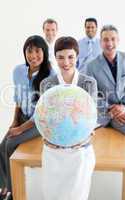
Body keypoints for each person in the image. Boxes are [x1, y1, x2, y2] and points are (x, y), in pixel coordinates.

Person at [85, 24, 125, 200]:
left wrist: (124, 105)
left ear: (118, 40)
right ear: (100, 42)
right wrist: (111, 109)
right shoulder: (92, 65)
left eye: (113, 39)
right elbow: (92, 94)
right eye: (106, 39)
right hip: (108, 114)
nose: (110, 43)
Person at [40, 36, 97, 200]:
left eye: (71, 57)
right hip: (53, 150)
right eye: (60, 57)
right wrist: (47, 136)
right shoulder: (47, 84)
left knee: (77, 194)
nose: (66, 62)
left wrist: (88, 133)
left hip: (80, 149)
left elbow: (91, 115)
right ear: (55, 58)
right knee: (53, 194)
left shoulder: (88, 83)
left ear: (77, 56)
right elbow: (44, 116)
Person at [0, 35, 54, 200]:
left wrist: (20, 130)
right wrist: (14, 122)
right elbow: (18, 99)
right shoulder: (18, 71)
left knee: (11, 143)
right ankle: (3, 185)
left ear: (44, 53)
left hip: (40, 122)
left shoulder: (50, 75)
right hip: (23, 116)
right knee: (2, 146)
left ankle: (12, 189)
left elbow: (42, 113)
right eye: (29, 51)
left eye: (38, 51)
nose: (33, 55)